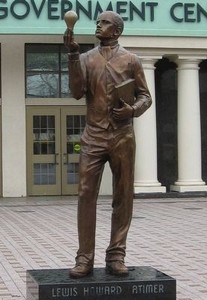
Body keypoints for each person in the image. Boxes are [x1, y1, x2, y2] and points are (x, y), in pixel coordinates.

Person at [64, 10, 152, 278]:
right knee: (85, 194)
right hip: (94, 135)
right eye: (97, 22)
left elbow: (145, 97)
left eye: (104, 23)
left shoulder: (132, 60)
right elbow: (77, 92)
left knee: (123, 196)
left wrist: (132, 110)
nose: (98, 26)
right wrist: (71, 56)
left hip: (122, 135)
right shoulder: (86, 58)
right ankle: (84, 258)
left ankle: (116, 255)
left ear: (116, 31)